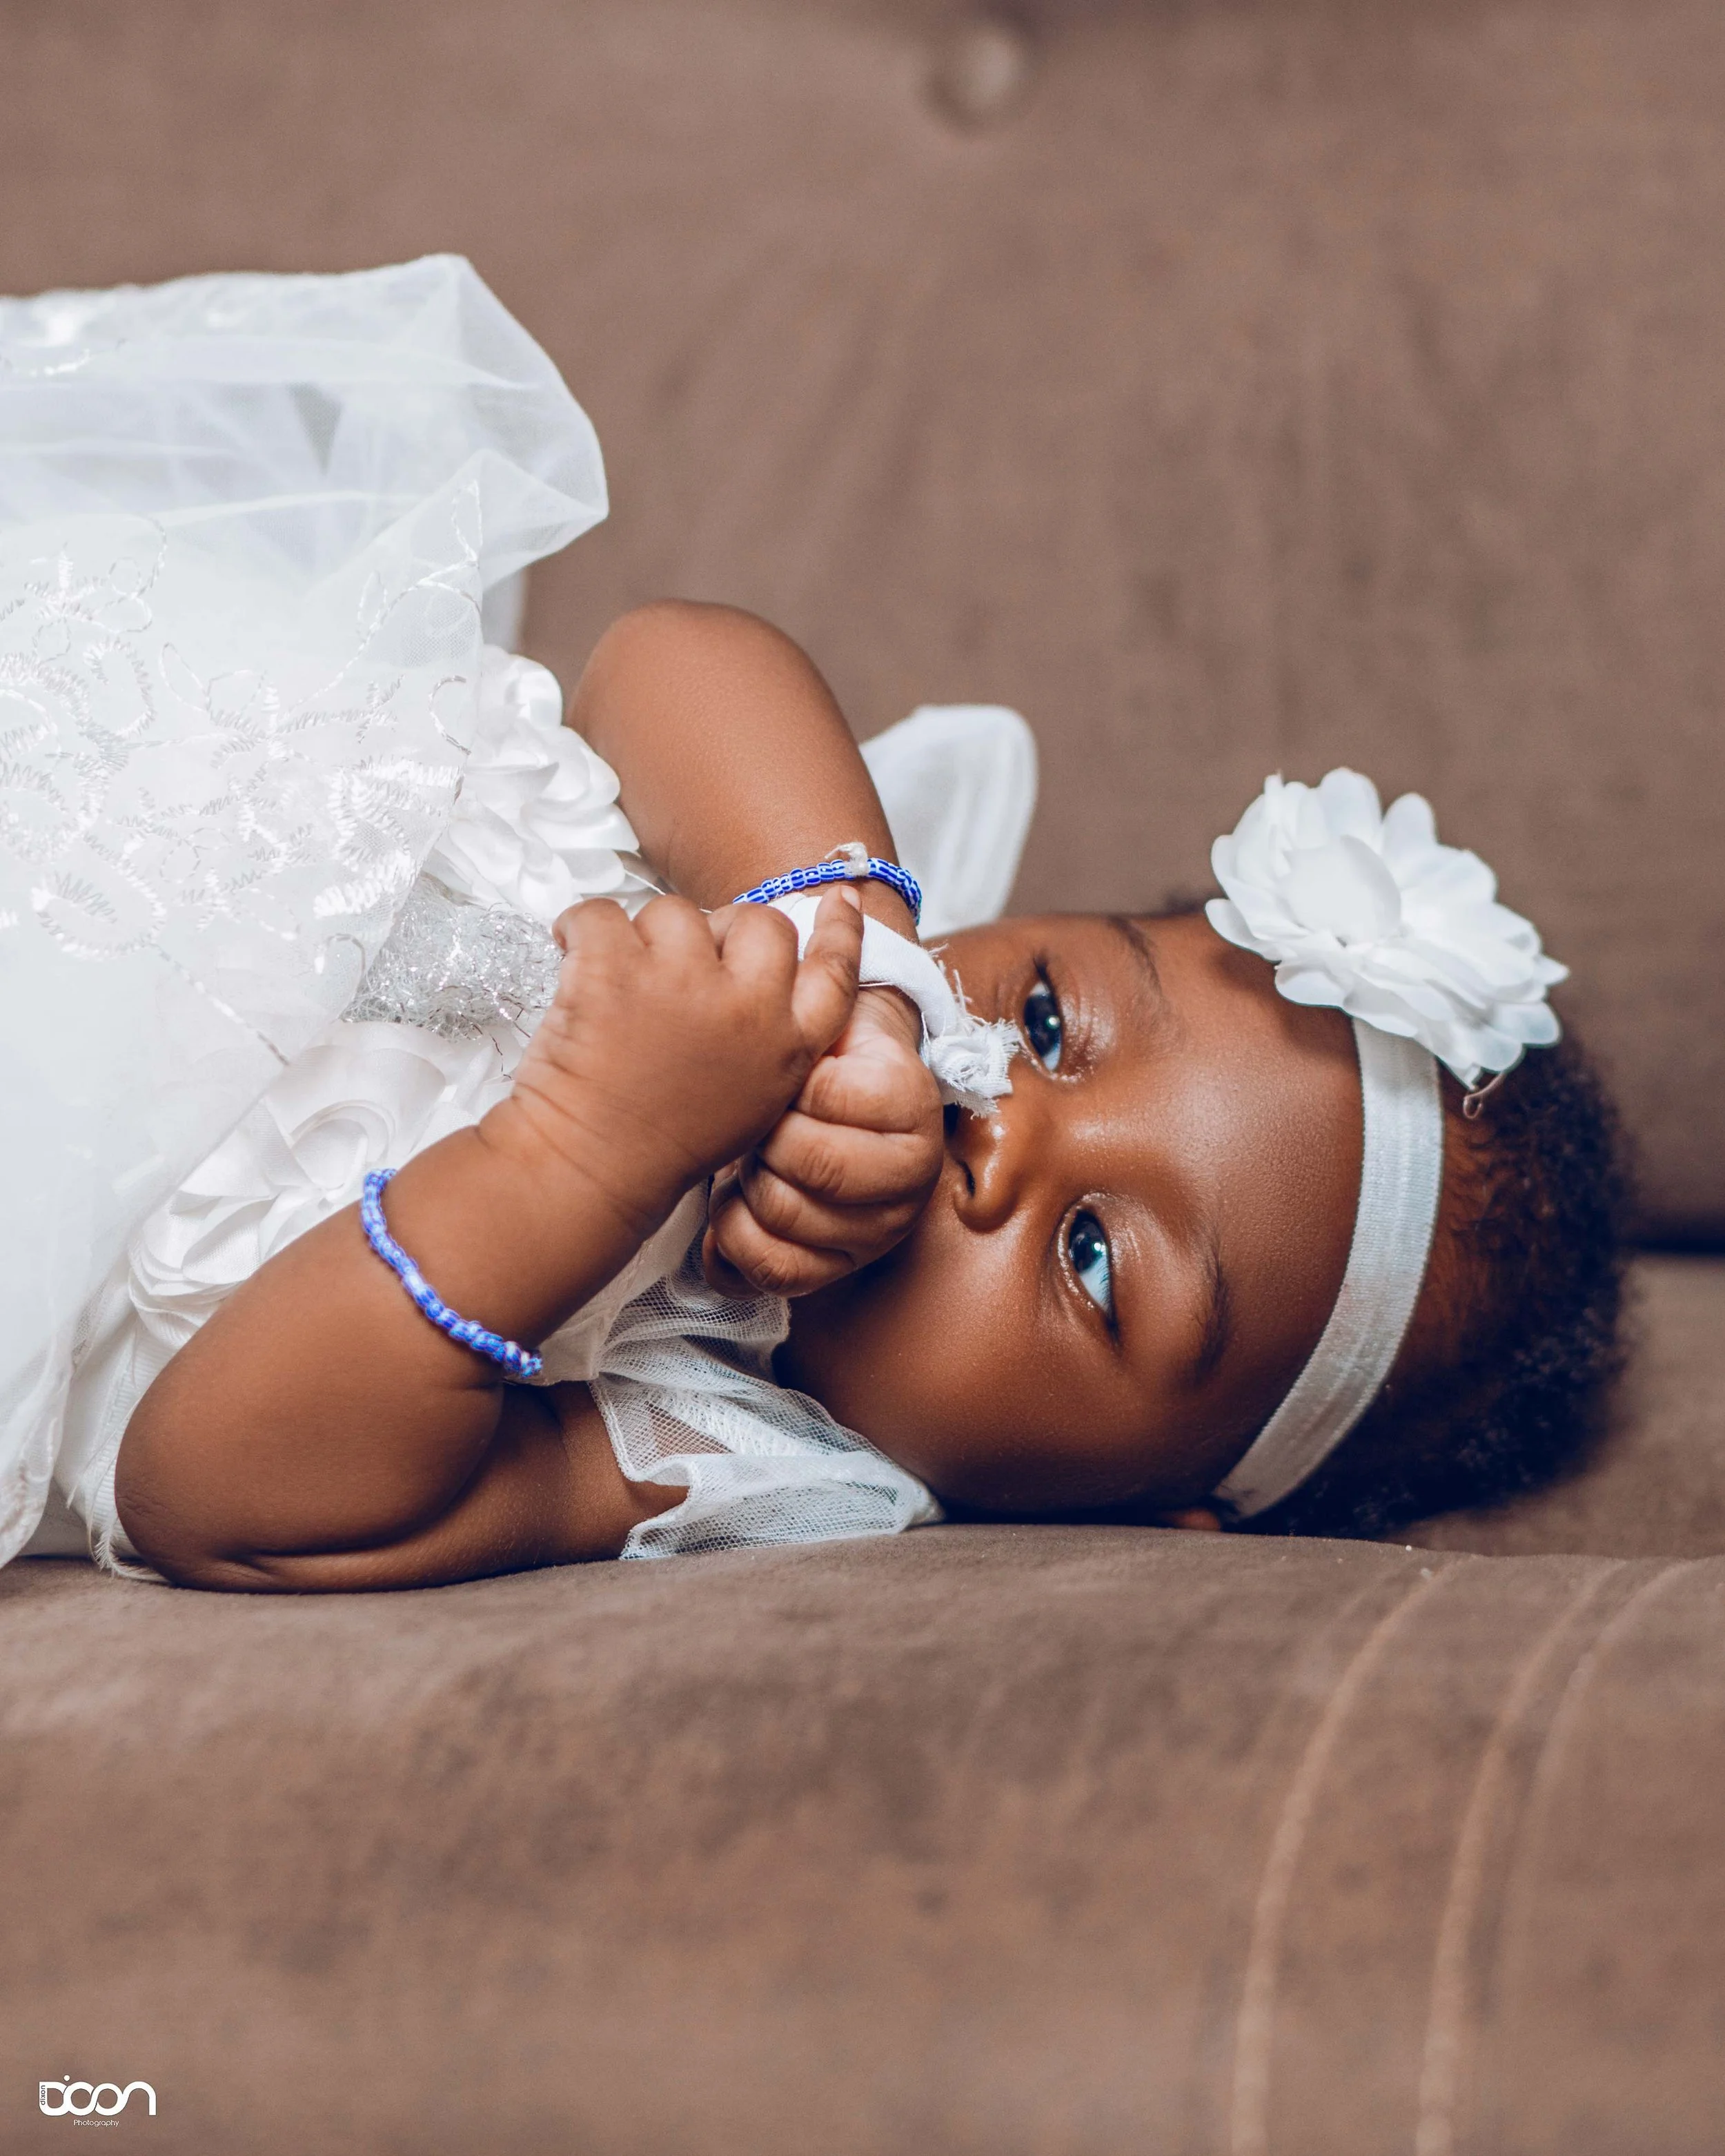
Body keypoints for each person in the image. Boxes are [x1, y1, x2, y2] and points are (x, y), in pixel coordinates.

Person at [0, 262, 1627, 1592]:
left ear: (1135, 1505)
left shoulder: (748, 1444)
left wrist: (580, 1156)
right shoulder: (836, 921)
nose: (1000, 1123)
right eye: (1053, 1019)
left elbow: (225, 1489)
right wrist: (844, 929)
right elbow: (663, 654)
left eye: (1090, 1260)